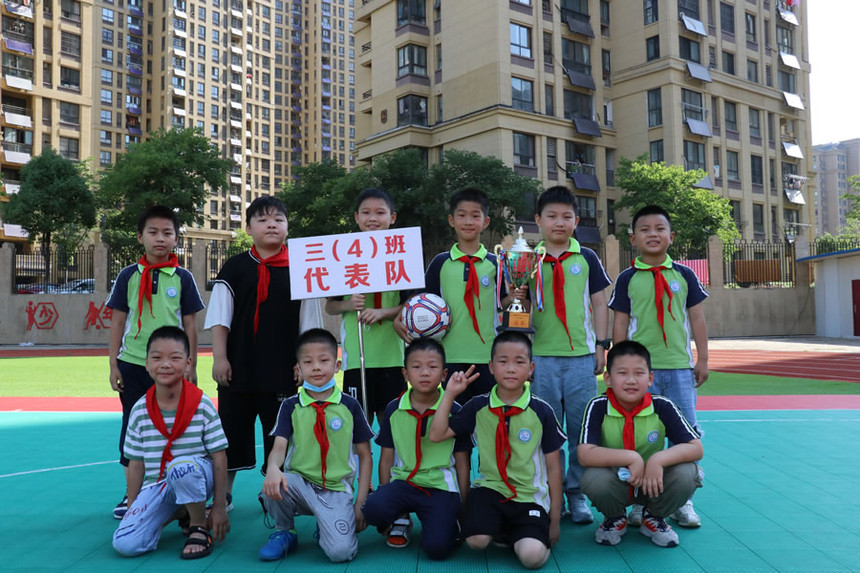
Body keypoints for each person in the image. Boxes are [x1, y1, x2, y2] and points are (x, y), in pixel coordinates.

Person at [204, 196, 322, 508]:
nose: (271, 224)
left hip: (282, 370)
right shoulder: (235, 267)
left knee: (280, 434)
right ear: (248, 228)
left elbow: (309, 322)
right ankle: (223, 494)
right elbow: (220, 316)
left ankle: (274, 490)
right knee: (230, 432)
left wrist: (303, 361)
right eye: (262, 219)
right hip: (238, 369)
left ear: (287, 227)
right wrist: (220, 357)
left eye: (278, 220)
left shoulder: (301, 268)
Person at [429, 331, 565, 570]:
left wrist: (554, 518)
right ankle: (508, 529)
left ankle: (522, 533)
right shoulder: (478, 406)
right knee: (476, 541)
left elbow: (554, 466)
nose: (511, 368)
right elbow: (436, 434)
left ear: (531, 368)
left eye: (519, 361)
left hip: (529, 494)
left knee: (531, 558)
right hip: (491, 489)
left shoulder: (541, 411)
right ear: (491, 367)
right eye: (503, 361)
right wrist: (449, 394)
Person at [609, 204, 709, 528]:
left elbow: (696, 318)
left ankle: (683, 501)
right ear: (633, 238)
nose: (653, 234)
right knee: (641, 437)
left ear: (671, 236)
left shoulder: (684, 275)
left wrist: (703, 358)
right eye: (645, 229)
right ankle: (638, 501)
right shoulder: (627, 278)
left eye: (659, 228)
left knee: (684, 436)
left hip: (680, 369)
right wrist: (617, 368)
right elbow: (620, 325)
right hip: (640, 374)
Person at [107, 205, 205, 519]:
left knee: (179, 428)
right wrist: (113, 365)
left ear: (176, 239)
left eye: (167, 233)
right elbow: (118, 323)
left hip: (173, 368)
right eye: (153, 232)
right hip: (134, 364)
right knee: (133, 429)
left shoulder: (183, 277)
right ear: (140, 237)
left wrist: (191, 366)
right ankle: (131, 495)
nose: (159, 238)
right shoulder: (127, 276)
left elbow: (189, 325)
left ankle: (181, 494)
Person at [527, 186, 612, 524]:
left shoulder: (587, 258)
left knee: (580, 430)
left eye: (566, 217)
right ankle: (551, 492)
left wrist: (601, 345)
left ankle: (576, 494)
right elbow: (514, 306)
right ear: (538, 221)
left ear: (576, 221)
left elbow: (600, 303)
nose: (559, 223)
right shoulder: (527, 258)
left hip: (580, 357)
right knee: (544, 431)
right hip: (541, 359)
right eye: (551, 216)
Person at [112, 326, 229, 559]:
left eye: (174, 358)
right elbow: (136, 464)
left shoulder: (201, 405)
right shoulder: (140, 410)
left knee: (180, 467)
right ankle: (180, 511)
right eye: (157, 358)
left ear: (188, 363)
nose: (165, 364)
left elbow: (219, 457)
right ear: (146, 363)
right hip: (160, 484)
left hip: (195, 476)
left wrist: (219, 506)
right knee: (125, 544)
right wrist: (134, 507)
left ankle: (197, 525)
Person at [258, 328, 374, 562]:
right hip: (299, 485)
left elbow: (365, 454)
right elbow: (279, 446)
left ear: (337, 365)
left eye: (324, 360)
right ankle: (285, 531)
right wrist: (272, 468)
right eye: (308, 362)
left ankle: (327, 525)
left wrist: (361, 500)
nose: (317, 367)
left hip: (336, 490)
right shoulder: (291, 406)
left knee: (341, 553)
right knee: (274, 483)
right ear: (298, 369)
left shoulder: (350, 405)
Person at [578, 340, 703, 548]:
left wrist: (657, 459)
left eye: (639, 373)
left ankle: (653, 517)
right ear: (607, 378)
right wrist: (631, 457)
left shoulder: (662, 405)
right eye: (622, 373)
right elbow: (584, 453)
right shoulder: (598, 406)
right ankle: (615, 517)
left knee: (687, 473)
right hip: (617, 481)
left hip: (654, 482)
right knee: (593, 478)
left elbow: (695, 447)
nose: (631, 380)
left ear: (650, 378)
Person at [361, 337, 471, 559]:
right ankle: (400, 518)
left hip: (440, 487)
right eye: (416, 367)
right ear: (405, 374)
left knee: (437, 549)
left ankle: (450, 525)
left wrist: (463, 505)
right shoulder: (394, 408)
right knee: (372, 508)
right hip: (404, 484)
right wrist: (386, 496)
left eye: (432, 367)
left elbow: (462, 462)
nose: (424, 373)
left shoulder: (456, 410)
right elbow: (386, 459)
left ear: (444, 374)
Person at [424, 187, 514, 403]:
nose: (468, 221)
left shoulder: (496, 263)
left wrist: (516, 295)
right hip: (449, 357)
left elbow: (504, 302)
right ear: (451, 220)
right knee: (454, 421)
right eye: (461, 215)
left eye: (475, 216)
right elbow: (424, 306)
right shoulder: (440, 263)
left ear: (486, 222)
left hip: (488, 357)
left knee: (486, 420)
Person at [324, 187, 406, 424]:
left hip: (393, 357)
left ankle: (392, 464)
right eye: (366, 212)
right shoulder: (343, 254)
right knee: (358, 424)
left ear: (392, 217)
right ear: (356, 217)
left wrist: (383, 312)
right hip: (357, 357)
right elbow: (330, 306)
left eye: (380, 213)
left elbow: (412, 306)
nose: (372, 218)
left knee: (392, 424)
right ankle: (362, 463)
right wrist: (348, 304)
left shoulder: (403, 253)